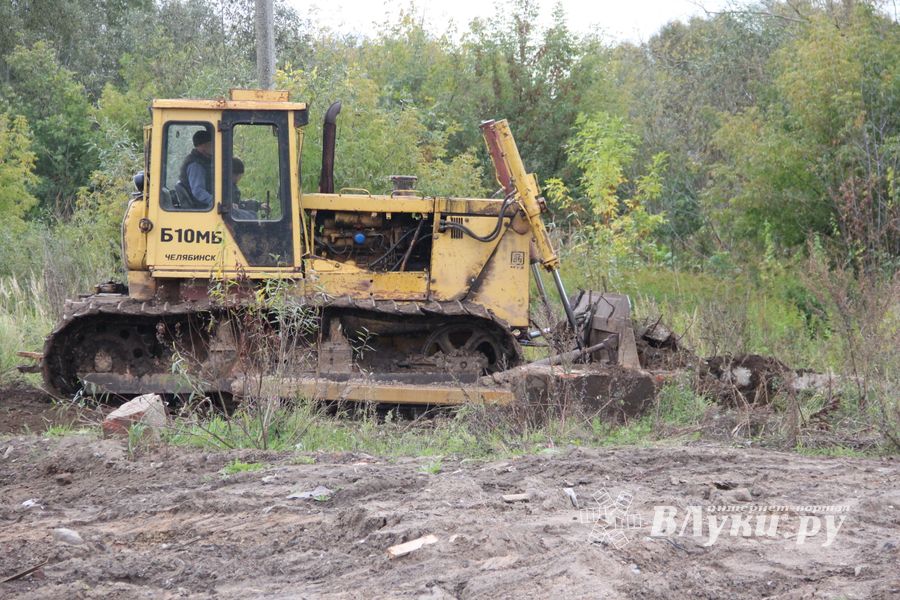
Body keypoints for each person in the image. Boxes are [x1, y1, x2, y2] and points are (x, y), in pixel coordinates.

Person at [177, 129, 214, 208]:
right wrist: (215, 201)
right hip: (202, 208)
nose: (214, 147)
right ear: (203, 146)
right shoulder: (196, 165)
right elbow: (198, 191)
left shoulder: (203, 160)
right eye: (211, 144)